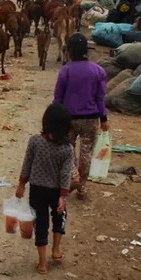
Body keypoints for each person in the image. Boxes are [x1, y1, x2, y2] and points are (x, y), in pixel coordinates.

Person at [16, 103, 74, 274]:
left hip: (37, 190)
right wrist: (63, 197)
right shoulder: (67, 149)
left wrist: (21, 185)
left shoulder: (35, 141)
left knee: (40, 223)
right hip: (56, 191)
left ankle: (42, 264)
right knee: (59, 217)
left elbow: (26, 165)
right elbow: (65, 175)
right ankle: (56, 249)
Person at [53, 33, 108, 199]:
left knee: (68, 150)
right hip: (91, 119)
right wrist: (104, 118)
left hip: (68, 118)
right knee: (86, 152)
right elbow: (100, 97)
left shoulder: (65, 71)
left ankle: (72, 178)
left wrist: (55, 119)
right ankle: (83, 187)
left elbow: (58, 97)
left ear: (69, 51)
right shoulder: (98, 71)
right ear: (86, 50)